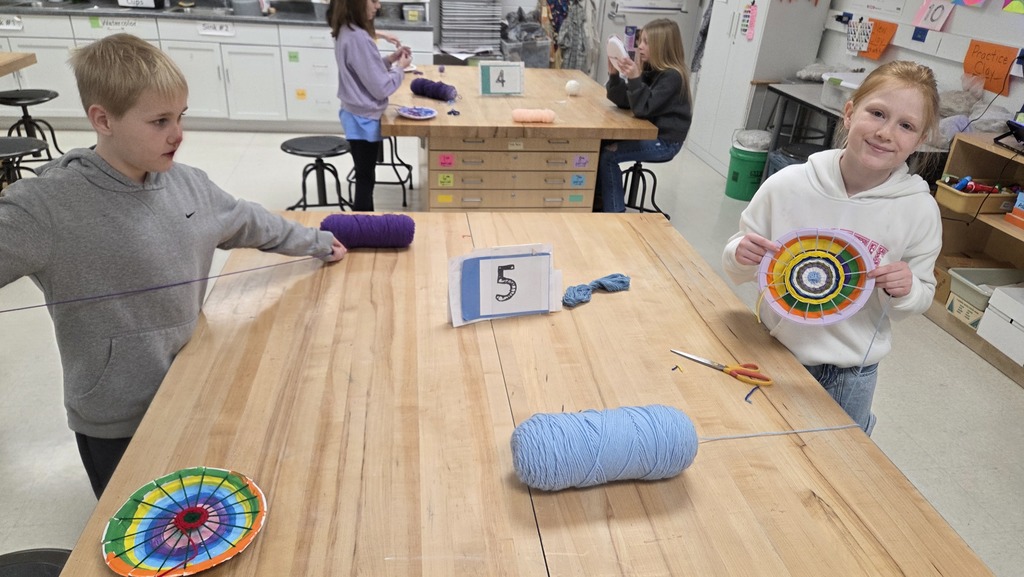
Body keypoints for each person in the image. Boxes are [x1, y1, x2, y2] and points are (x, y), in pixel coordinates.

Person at [0, 33, 346, 498]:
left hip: (191, 390)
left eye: (179, 117)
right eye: (160, 120)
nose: (177, 133)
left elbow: (248, 220)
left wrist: (318, 242)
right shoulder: (45, 206)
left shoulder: (188, 186)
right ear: (102, 119)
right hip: (115, 419)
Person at [721, 60, 943, 435]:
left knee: (842, 462)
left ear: (920, 140)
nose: (886, 133)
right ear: (850, 112)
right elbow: (738, 259)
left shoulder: (919, 209)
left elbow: (922, 294)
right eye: (877, 113)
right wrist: (740, 252)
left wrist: (907, 289)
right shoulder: (788, 185)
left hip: (853, 372)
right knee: (769, 447)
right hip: (778, 352)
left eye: (906, 125)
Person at [595, 18, 692, 213]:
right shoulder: (653, 71)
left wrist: (634, 78)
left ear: (661, 46)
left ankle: (615, 214)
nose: (640, 46)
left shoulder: (672, 77)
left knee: (608, 156)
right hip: (650, 135)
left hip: (664, 143)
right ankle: (598, 201)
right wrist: (614, 75)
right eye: (640, 41)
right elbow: (625, 101)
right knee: (601, 143)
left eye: (646, 42)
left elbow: (643, 108)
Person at [329, 0, 411, 211]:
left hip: (353, 114)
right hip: (363, 118)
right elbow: (381, 87)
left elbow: (365, 70)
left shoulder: (346, 30)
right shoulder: (358, 38)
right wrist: (400, 69)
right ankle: (362, 227)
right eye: (373, 1)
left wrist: (391, 60)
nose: (378, 6)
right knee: (365, 181)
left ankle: (363, 225)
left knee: (364, 175)